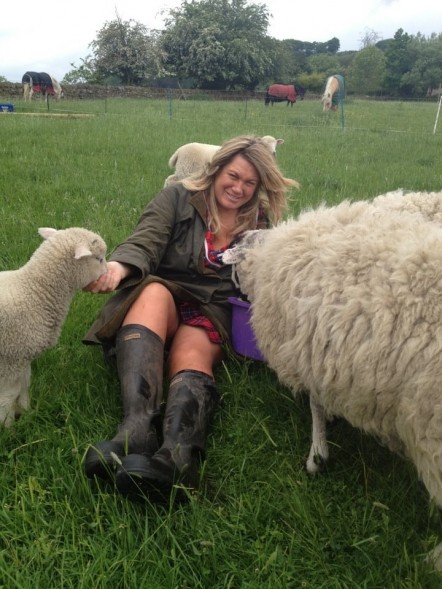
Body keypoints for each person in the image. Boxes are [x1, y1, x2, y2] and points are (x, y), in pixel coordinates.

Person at [83, 134, 299, 501]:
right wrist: (119, 268)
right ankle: (136, 429)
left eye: (250, 183)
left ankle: (178, 458)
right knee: (152, 291)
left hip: (213, 307)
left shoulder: (261, 222)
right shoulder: (177, 197)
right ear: (216, 169)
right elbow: (145, 240)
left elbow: (268, 275)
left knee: (194, 352)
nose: (239, 189)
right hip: (168, 290)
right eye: (233, 176)